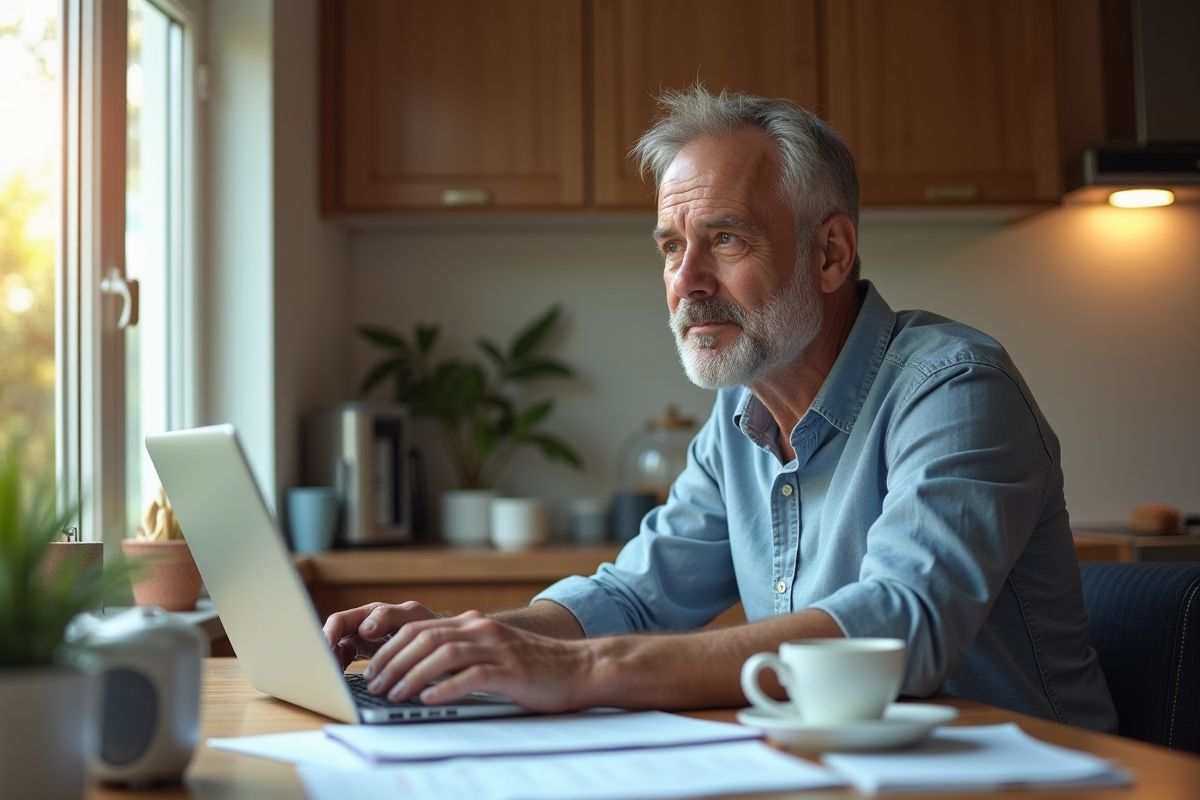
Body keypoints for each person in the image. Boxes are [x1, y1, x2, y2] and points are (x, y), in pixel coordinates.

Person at [323, 87, 1118, 732]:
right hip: (835, 772)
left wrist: (581, 670)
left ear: (831, 253)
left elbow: (898, 626)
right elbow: (639, 596)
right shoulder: (742, 412)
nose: (687, 280)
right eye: (672, 245)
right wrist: (469, 638)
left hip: (1020, 780)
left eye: (726, 239)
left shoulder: (954, 388)